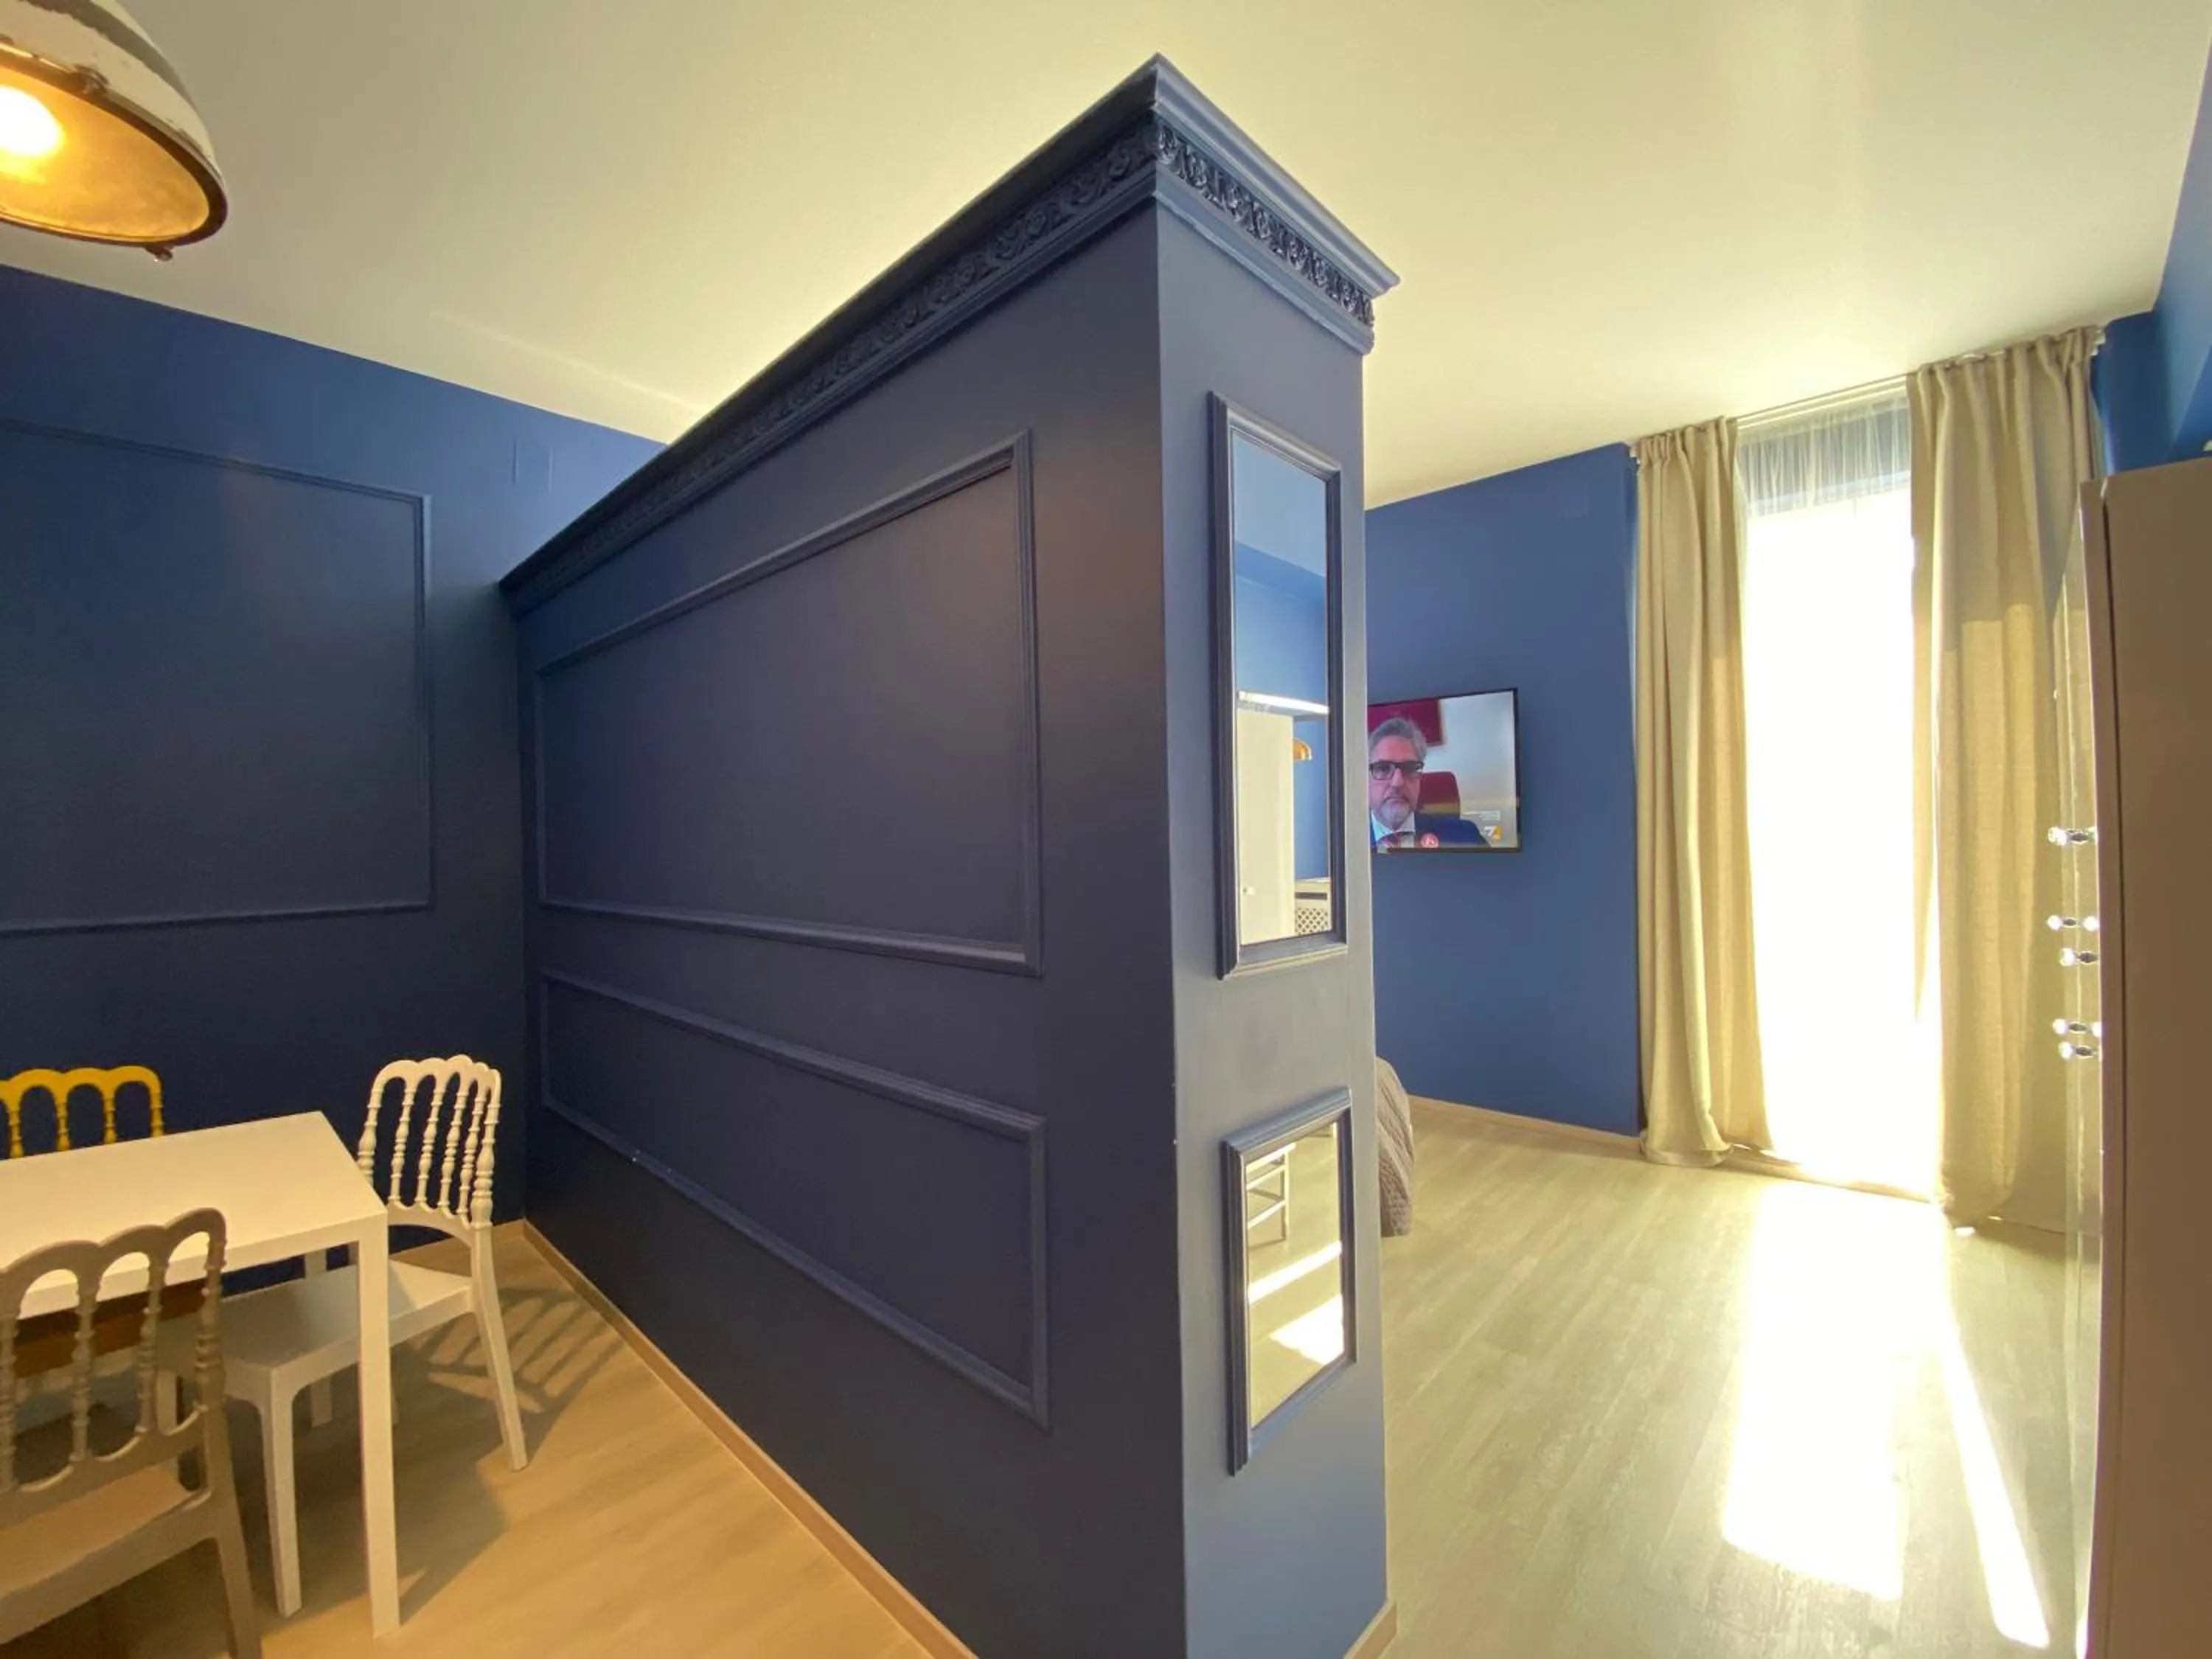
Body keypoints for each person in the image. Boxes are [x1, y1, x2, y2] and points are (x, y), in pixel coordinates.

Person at [1368, 716, 1487, 849]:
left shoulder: (1466, 837)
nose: (1397, 783)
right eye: (1383, 768)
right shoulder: (1347, 839)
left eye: (1409, 768)